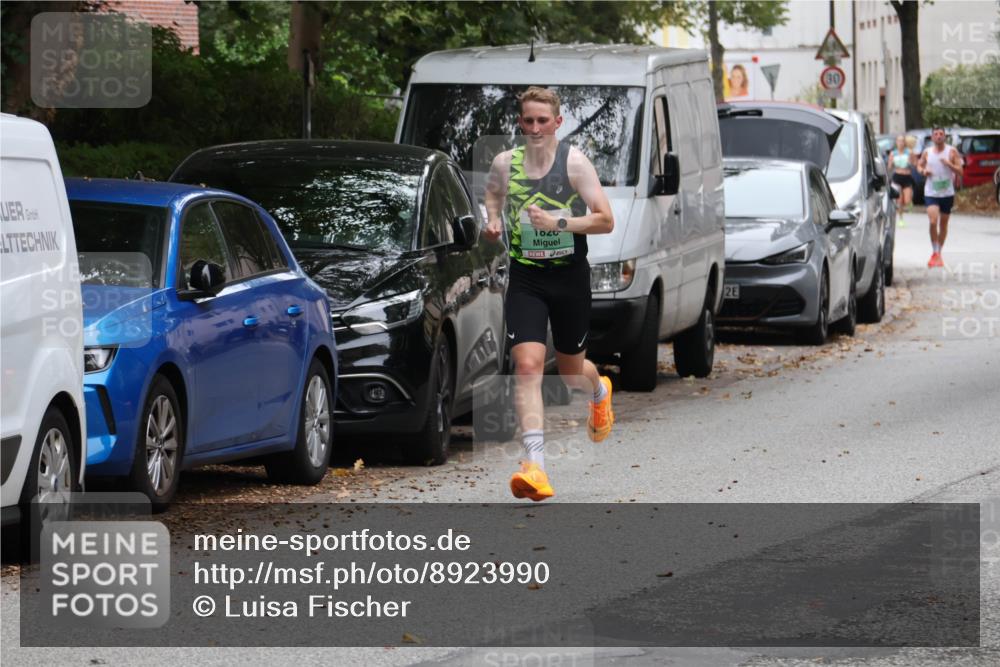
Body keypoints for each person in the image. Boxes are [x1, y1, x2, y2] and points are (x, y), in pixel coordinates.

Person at [483, 86, 615, 502]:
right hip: (527, 279)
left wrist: (558, 224)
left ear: (558, 123)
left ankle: (599, 391)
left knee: (572, 373)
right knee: (527, 365)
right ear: (520, 123)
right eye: (528, 120)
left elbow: (605, 220)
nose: (536, 128)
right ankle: (535, 466)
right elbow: (492, 195)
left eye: (543, 120)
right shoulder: (505, 163)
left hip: (569, 278)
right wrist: (493, 221)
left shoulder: (574, 164)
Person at [917, 127, 963, 268]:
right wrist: (924, 171)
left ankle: (938, 253)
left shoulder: (951, 151)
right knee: (933, 221)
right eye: (936, 134)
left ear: (945, 137)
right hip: (931, 192)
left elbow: (960, 171)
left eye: (941, 134)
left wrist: (949, 164)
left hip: (947, 193)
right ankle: (935, 253)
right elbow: (919, 165)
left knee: (943, 224)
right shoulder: (927, 152)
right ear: (932, 137)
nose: (938, 136)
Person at [889, 134, 915, 227]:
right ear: (896, 142)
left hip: (907, 176)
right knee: (899, 201)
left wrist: (910, 162)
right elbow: (889, 167)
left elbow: (914, 164)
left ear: (905, 143)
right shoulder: (893, 153)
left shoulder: (909, 152)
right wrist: (891, 163)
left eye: (902, 141)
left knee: (907, 200)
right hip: (897, 177)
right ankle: (901, 219)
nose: (900, 143)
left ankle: (909, 203)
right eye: (899, 141)